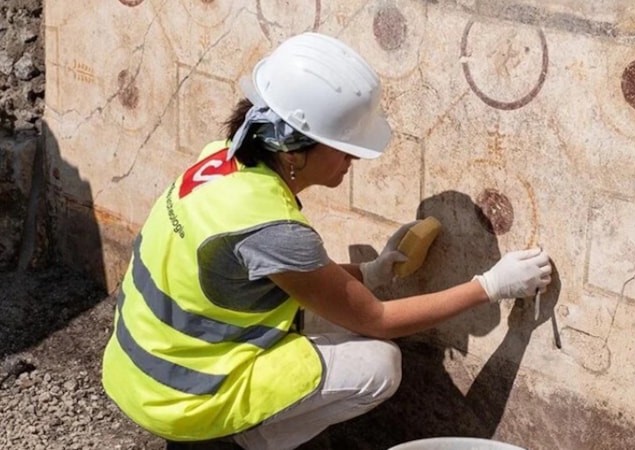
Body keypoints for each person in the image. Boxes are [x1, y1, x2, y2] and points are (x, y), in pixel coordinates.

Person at [101, 32, 552, 450]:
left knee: (333, 321)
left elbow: (285, 275)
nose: (353, 159)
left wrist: (370, 272)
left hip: (139, 367)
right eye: (344, 148)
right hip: (182, 397)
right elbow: (377, 319)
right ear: (294, 151)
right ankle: (237, 443)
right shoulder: (273, 227)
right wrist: (489, 286)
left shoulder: (223, 160)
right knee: (379, 366)